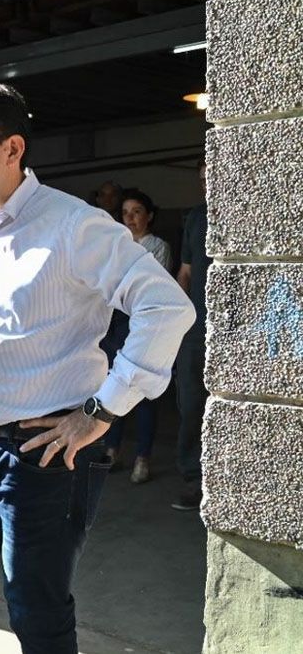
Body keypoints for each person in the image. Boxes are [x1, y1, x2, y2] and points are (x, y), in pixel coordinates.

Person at [0, 84, 194, 654]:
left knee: (36, 614)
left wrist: (103, 410)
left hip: (47, 454)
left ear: (12, 147)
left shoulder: (73, 225)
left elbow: (166, 307)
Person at [103, 188, 176, 483]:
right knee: (112, 387)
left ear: (150, 216)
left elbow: (147, 289)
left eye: (136, 212)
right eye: (125, 213)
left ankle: (142, 457)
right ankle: (111, 450)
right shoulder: (115, 245)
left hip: (144, 324)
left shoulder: (157, 246)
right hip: (115, 324)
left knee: (143, 391)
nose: (130, 218)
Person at [172, 159, 209, 511]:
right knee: (191, 404)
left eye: (210, 176)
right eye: (200, 179)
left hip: (234, 328)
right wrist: (182, 318)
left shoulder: (239, 214)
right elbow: (185, 272)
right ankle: (193, 479)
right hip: (194, 331)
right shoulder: (195, 218)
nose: (205, 183)